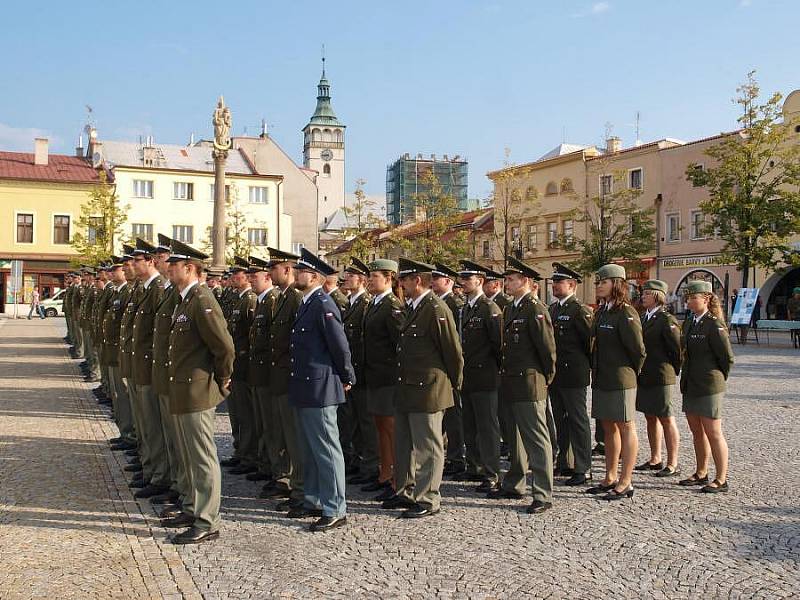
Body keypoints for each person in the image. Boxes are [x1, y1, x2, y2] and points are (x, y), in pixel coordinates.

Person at [162, 239, 234, 544]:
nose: (168, 269)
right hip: (181, 390)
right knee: (188, 456)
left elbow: (224, 346)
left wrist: (223, 379)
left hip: (197, 391)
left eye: (173, 265)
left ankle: (207, 520)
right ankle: (192, 508)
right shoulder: (183, 299)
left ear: (189, 268)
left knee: (202, 458)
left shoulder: (202, 299)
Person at [383, 258, 463, 518]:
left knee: (428, 446)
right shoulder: (414, 307)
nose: (401, 285)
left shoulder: (436, 308)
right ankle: (405, 491)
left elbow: (452, 352)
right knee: (404, 444)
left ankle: (428, 498)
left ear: (417, 281)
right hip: (407, 387)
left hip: (428, 389)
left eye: (404, 280)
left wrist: (453, 385)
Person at [288, 249, 356, 531]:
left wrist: (347, 375)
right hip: (306, 386)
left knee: (327, 449)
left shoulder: (322, 303)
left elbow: (339, 344)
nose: (294, 274)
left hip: (321, 387)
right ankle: (314, 498)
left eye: (299, 271)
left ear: (313, 276)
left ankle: (335, 507)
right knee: (311, 448)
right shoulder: (307, 302)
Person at [488, 257, 556, 515]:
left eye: (511, 279)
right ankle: (515, 482)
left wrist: (545, 378)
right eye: (506, 279)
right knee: (514, 436)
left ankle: (543, 492)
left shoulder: (535, 308)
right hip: (511, 381)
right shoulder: (511, 307)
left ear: (525, 281)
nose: (507, 283)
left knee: (536, 438)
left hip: (529, 382)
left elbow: (547, 350)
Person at [586, 264, 646, 501]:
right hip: (603, 377)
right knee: (608, 428)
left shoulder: (626, 313)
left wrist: (630, 375)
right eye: (598, 282)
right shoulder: (602, 312)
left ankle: (626, 481)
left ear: (616, 284)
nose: (599, 285)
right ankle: (610, 476)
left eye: (603, 282)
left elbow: (638, 351)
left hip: (621, 379)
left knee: (626, 427)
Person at [261, 247, 306, 515]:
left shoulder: (295, 298)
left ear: (287, 269)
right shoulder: (283, 297)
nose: (269, 273)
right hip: (279, 376)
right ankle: (288, 481)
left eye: (273, 269)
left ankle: (298, 487)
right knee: (283, 434)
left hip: (289, 377)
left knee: (294, 438)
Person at [679, 280, 735, 493]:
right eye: (689, 297)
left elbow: (727, 358)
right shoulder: (690, 322)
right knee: (696, 431)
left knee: (713, 431)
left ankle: (721, 478)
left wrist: (716, 379)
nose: (690, 301)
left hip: (709, 384)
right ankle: (701, 472)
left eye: (694, 297)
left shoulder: (714, 324)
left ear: (707, 299)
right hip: (691, 382)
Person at [357, 259, 405, 499]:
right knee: (380, 429)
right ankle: (384, 475)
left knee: (390, 430)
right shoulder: (375, 304)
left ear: (389, 279)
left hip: (387, 378)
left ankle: (397, 480)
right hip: (374, 377)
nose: (369, 280)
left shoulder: (392, 306)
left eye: (374, 276)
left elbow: (400, 344)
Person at [130, 238, 171, 500]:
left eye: (137, 260)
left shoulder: (157, 288)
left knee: (156, 426)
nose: (133, 265)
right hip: (143, 365)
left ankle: (159, 475)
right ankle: (151, 468)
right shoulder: (150, 288)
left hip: (152, 366)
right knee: (147, 423)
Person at [457, 259, 503, 492]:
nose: (462, 282)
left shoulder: (489, 308)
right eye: (462, 278)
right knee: (470, 426)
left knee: (487, 428)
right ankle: (474, 465)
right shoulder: (467, 308)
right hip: (469, 377)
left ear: (480, 281)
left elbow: (498, 345)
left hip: (485, 377)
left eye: (467, 278)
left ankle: (491, 472)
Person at [548, 262, 594, 487]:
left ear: (572, 285)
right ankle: (564, 461)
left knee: (577, 420)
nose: (554, 286)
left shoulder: (580, 310)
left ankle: (583, 466)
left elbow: (590, 345)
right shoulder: (554, 309)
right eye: (554, 282)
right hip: (557, 376)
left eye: (559, 282)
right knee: (560, 420)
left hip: (574, 374)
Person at [635, 280, 682, 478]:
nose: (643, 296)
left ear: (657, 295)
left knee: (666, 417)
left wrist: (671, 370)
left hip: (661, 374)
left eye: (647, 293)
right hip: (645, 374)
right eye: (643, 293)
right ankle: (655, 457)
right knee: (650, 416)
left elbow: (676, 349)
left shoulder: (666, 319)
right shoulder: (643, 317)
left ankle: (672, 462)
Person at [339, 257, 376, 483]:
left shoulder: (365, 304)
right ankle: (357, 460)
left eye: (351, 276)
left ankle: (370, 465)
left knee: (366, 422)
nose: (346, 279)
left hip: (362, 373)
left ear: (361, 280)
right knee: (352, 420)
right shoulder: (351, 303)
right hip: (352, 372)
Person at [246, 256, 281, 484]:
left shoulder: (271, 301)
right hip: (257, 372)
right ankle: (266, 464)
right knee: (262, 423)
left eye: (255, 276)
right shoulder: (261, 300)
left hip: (268, 373)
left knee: (272, 426)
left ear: (268, 277)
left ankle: (277, 470)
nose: (251, 280)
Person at [225, 257, 259, 476]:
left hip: (245, 364)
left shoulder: (250, 300)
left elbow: (251, 335)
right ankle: (240, 451)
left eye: (237, 275)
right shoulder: (238, 299)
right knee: (236, 413)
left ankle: (249, 455)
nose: (233, 278)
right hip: (236, 364)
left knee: (246, 414)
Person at [432, 263, 466, 479]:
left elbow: (454, 342)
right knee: (446, 418)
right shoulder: (439, 303)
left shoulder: (453, 303)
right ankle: (452, 455)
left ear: (448, 282)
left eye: (438, 278)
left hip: (449, 369)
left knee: (454, 417)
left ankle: (456, 457)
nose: (433, 281)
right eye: (432, 278)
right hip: (440, 370)